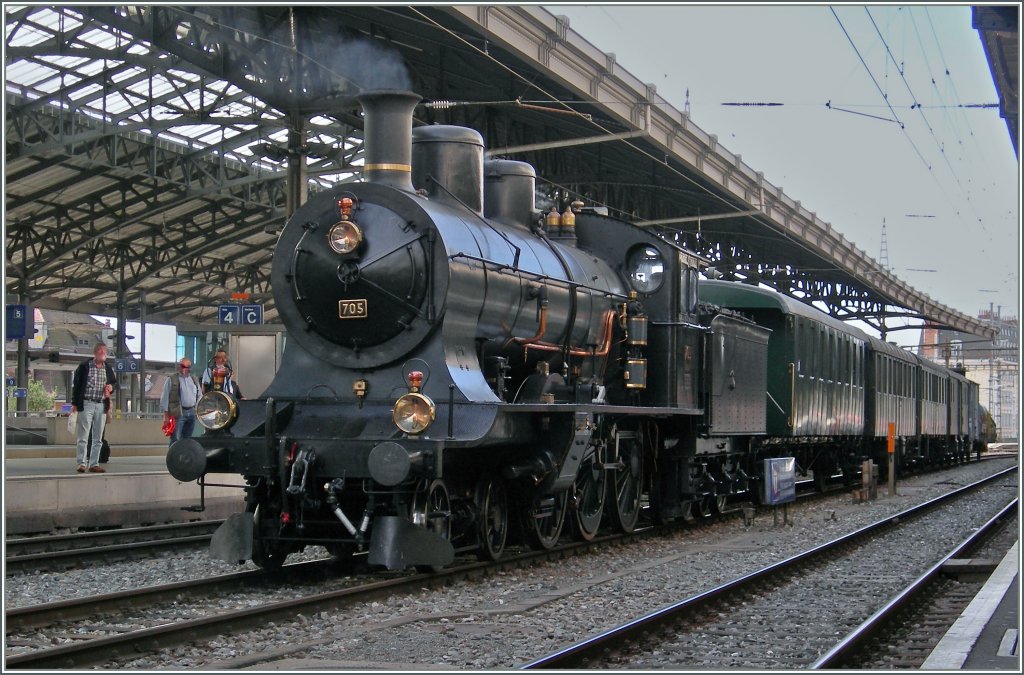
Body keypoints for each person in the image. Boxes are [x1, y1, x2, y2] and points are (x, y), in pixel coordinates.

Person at [71, 343, 117, 473]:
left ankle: (94, 463)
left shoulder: (107, 368)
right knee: (83, 435)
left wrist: (110, 388)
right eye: (102, 351)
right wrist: (74, 404)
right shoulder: (85, 367)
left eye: (105, 352)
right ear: (95, 353)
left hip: (101, 404)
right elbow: (77, 385)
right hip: (87, 403)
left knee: (98, 437)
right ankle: (81, 463)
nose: (104, 354)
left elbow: (114, 383)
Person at [161, 358, 203, 446]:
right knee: (175, 438)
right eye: (180, 366)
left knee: (187, 439)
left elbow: (199, 395)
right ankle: (173, 457)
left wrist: (197, 409)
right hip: (178, 412)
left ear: (189, 368)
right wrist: (166, 416)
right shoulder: (171, 380)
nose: (181, 368)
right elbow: (165, 398)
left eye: (183, 366)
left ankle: (184, 457)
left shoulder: (194, 379)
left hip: (191, 411)